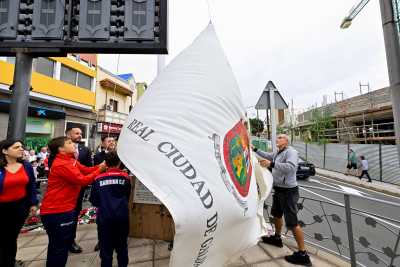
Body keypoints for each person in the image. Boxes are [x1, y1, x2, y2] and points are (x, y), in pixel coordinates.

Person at [40, 136, 106, 267]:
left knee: (57, 245)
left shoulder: (70, 160)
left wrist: (100, 166)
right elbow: (82, 180)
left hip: (65, 208)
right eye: (69, 143)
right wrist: (100, 170)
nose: (74, 144)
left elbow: (86, 170)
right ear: (61, 149)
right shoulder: (62, 164)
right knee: (60, 247)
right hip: (58, 210)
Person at [253, 134, 312, 266]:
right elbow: (268, 156)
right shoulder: (279, 152)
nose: (277, 139)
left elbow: (291, 167)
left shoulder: (291, 152)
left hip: (288, 192)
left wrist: (272, 164)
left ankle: (303, 254)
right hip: (279, 190)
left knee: (292, 223)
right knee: (277, 214)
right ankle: (277, 238)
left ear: (286, 141)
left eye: (280, 137)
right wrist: (255, 149)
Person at [0, 139, 38, 267]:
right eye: (16, 147)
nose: (21, 149)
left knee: (11, 238)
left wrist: (33, 203)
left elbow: (31, 186)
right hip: (2, 208)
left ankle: (10, 261)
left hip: (19, 208)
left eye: (21, 147)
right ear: (5, 151)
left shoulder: (26, 166)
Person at [90, 151, 131, 267]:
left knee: (105, 248)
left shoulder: (98, 179)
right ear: (119, 163)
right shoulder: (126, 177)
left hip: (104, 218)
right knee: (122, 247)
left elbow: (94, 200)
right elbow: (127, 196)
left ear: (105, 163)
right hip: (122, 218)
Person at [65, 126, 93, 253]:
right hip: (64, 189)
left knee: (75, 214)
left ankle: (71, 240)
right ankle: (62, 240)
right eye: (76, 133)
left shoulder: (85, 150)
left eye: (81, 133)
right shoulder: (60, 148)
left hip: (79, 189)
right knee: (64, 216)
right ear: (68, 134)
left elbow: (87, 168)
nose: (80, 135)